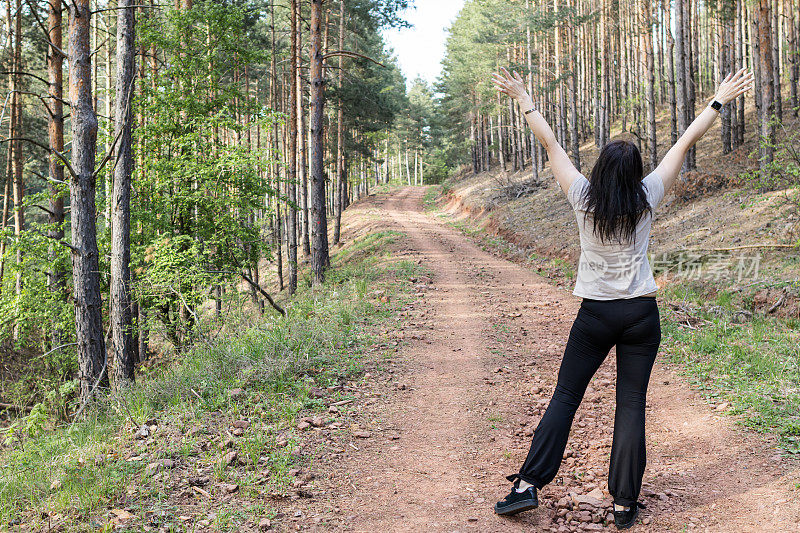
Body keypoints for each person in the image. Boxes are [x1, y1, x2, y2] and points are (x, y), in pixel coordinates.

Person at [490, 66, 754, 529]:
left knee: (567, 395)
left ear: (600, 171)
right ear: (634, 172)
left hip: (595, 315)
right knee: (630, 402)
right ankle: (624, 503)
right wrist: (717, 99)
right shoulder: (647, 195)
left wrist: (525, 98)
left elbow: (551, 146)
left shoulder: (583, 197)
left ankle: (527, 485)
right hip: (640, 315)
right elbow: (683, 144)